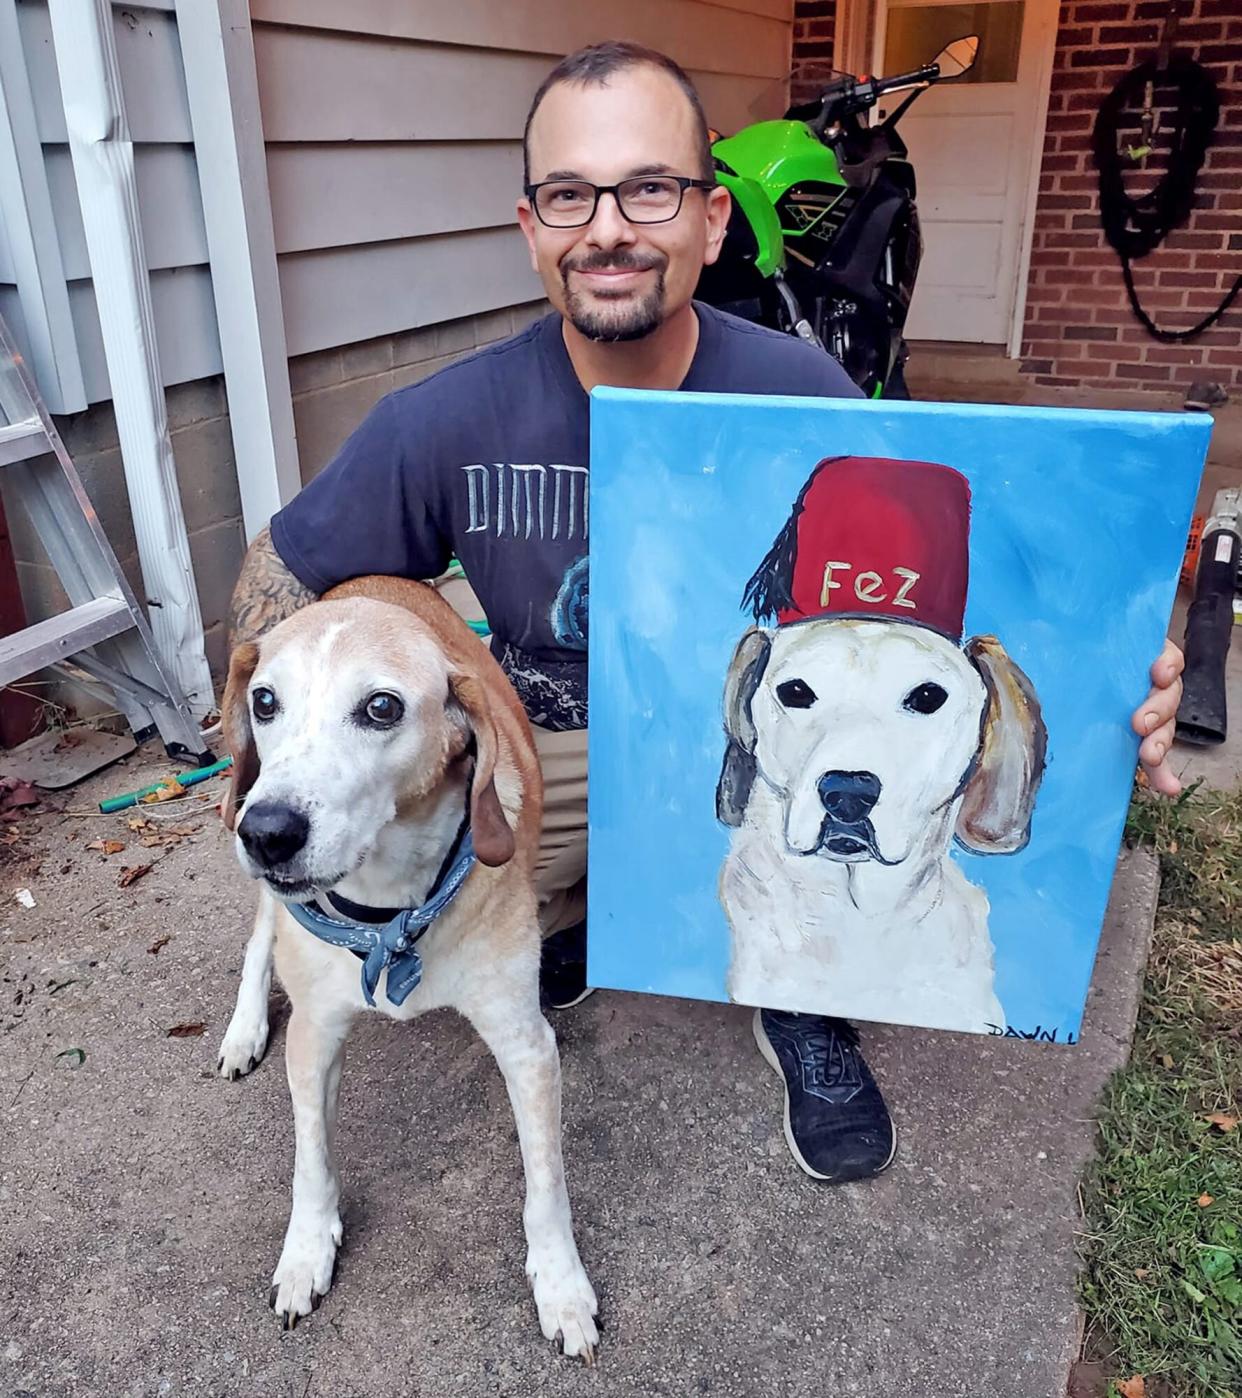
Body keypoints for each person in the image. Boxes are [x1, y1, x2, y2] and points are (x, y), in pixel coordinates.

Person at [228, 41, 1186, 1184]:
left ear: (713, 220)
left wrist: (1120, 677)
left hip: (756, 733)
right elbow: (276, 579)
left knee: (833, 796)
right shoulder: (444, 419)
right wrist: (274, 738)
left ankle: (811, 1001)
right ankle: (575, 908)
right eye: (569, 194)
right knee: (431, 869)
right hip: (559, 749)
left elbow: (953, 615)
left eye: (650, 189)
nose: (608, 229)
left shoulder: (801, 391)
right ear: (530, 226)